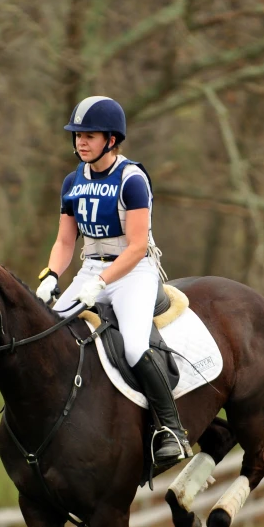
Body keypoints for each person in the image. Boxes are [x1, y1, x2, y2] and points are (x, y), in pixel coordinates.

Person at [35, 95, 192, 466]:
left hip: (133, 273)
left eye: (89, 135)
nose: (80, 142)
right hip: (90, 269)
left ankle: (171, 429)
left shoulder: (132, 179)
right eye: (77, 135)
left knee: (136, 348)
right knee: (49, 336)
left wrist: (102, 281)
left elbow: (137, 247)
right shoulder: (73, 181)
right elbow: (64, 241)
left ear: (111, 139)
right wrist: (52, 274)